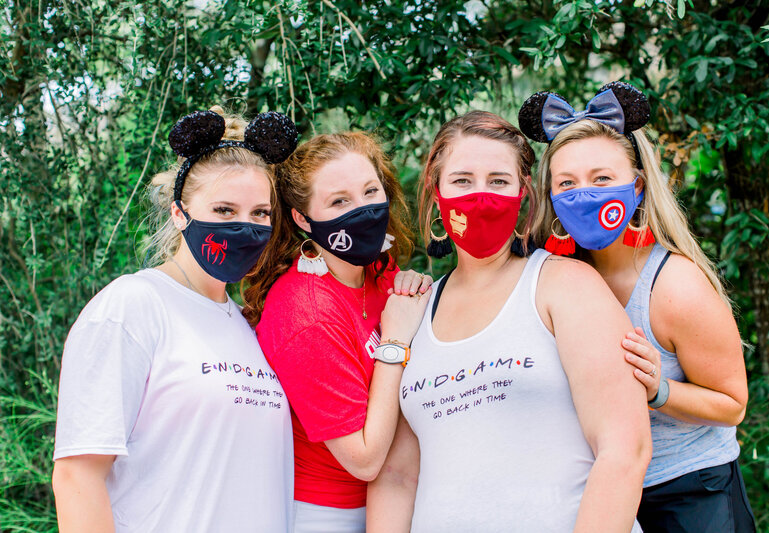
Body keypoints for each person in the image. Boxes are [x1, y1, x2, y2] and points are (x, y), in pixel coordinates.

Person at [367, 111, 651, 532]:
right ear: (436, 190)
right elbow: (397, 476)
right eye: (462, 180)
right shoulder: (417, 310)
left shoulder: (564, 285)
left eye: (498, 181)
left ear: (522, 192)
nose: (480, 195)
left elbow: (625, 450)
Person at [519, 81, 755, 532]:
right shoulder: (549, 274)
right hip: (595, 492)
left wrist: (657, 390)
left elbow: (732, 405)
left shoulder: (675, 287)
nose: (582, 194)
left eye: (602, 179)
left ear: (638, 186)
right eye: (566, 183)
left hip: (688, 493)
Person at [52, 107, 298, 533]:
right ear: (179, 213)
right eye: (224, 209)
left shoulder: (246, 323)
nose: (246, 227)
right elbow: (78, 474)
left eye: (260, 213)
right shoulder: (131, 308)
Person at [243, 132, 432, 532]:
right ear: (302, 218)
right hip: (332, 514)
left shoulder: (377, 272)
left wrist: (415, 289)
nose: (362, 210)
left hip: (397, 498)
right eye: (339, 201)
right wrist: (395, 343)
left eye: (369, 191)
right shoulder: (307, 314)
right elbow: (363, 460)